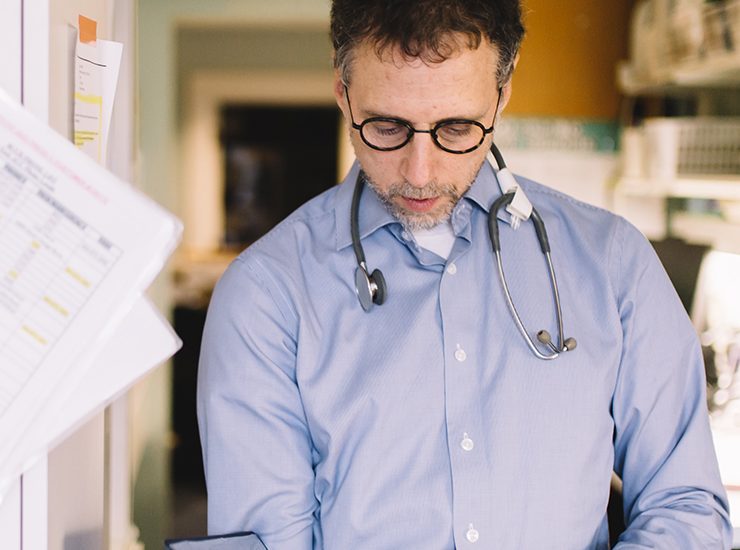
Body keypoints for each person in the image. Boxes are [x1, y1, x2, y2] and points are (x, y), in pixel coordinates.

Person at [197, 1, 732, 548]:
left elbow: (685, 502)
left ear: (502, 94)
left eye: (456, 127)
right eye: (387, 126)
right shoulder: (265, 297)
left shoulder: (615, 263)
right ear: (343, 92)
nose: (420, 172)